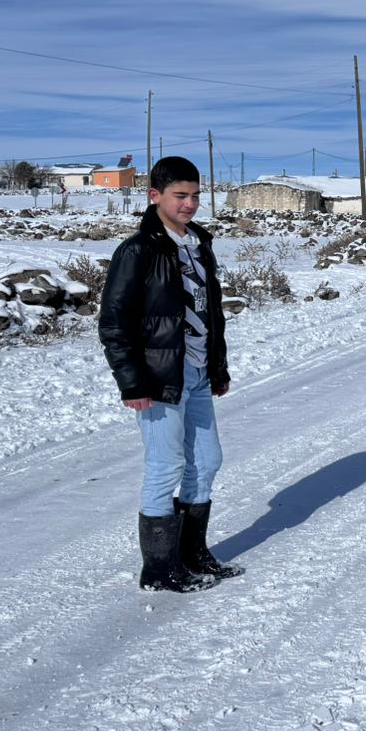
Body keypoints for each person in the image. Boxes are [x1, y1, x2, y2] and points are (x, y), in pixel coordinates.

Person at [100, 156, 243, 592]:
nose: (190, 204)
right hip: (159, 376)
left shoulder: (199, 244)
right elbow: (114, 321)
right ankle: (159, 568)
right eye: (180, 196)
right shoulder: (138, 250)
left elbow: (209, 314)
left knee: (207, 460)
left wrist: (216, 367)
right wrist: (132, 381)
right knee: (166, 466)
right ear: (154, 196)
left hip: (197, 371)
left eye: (195, 195)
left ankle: (190, 552)